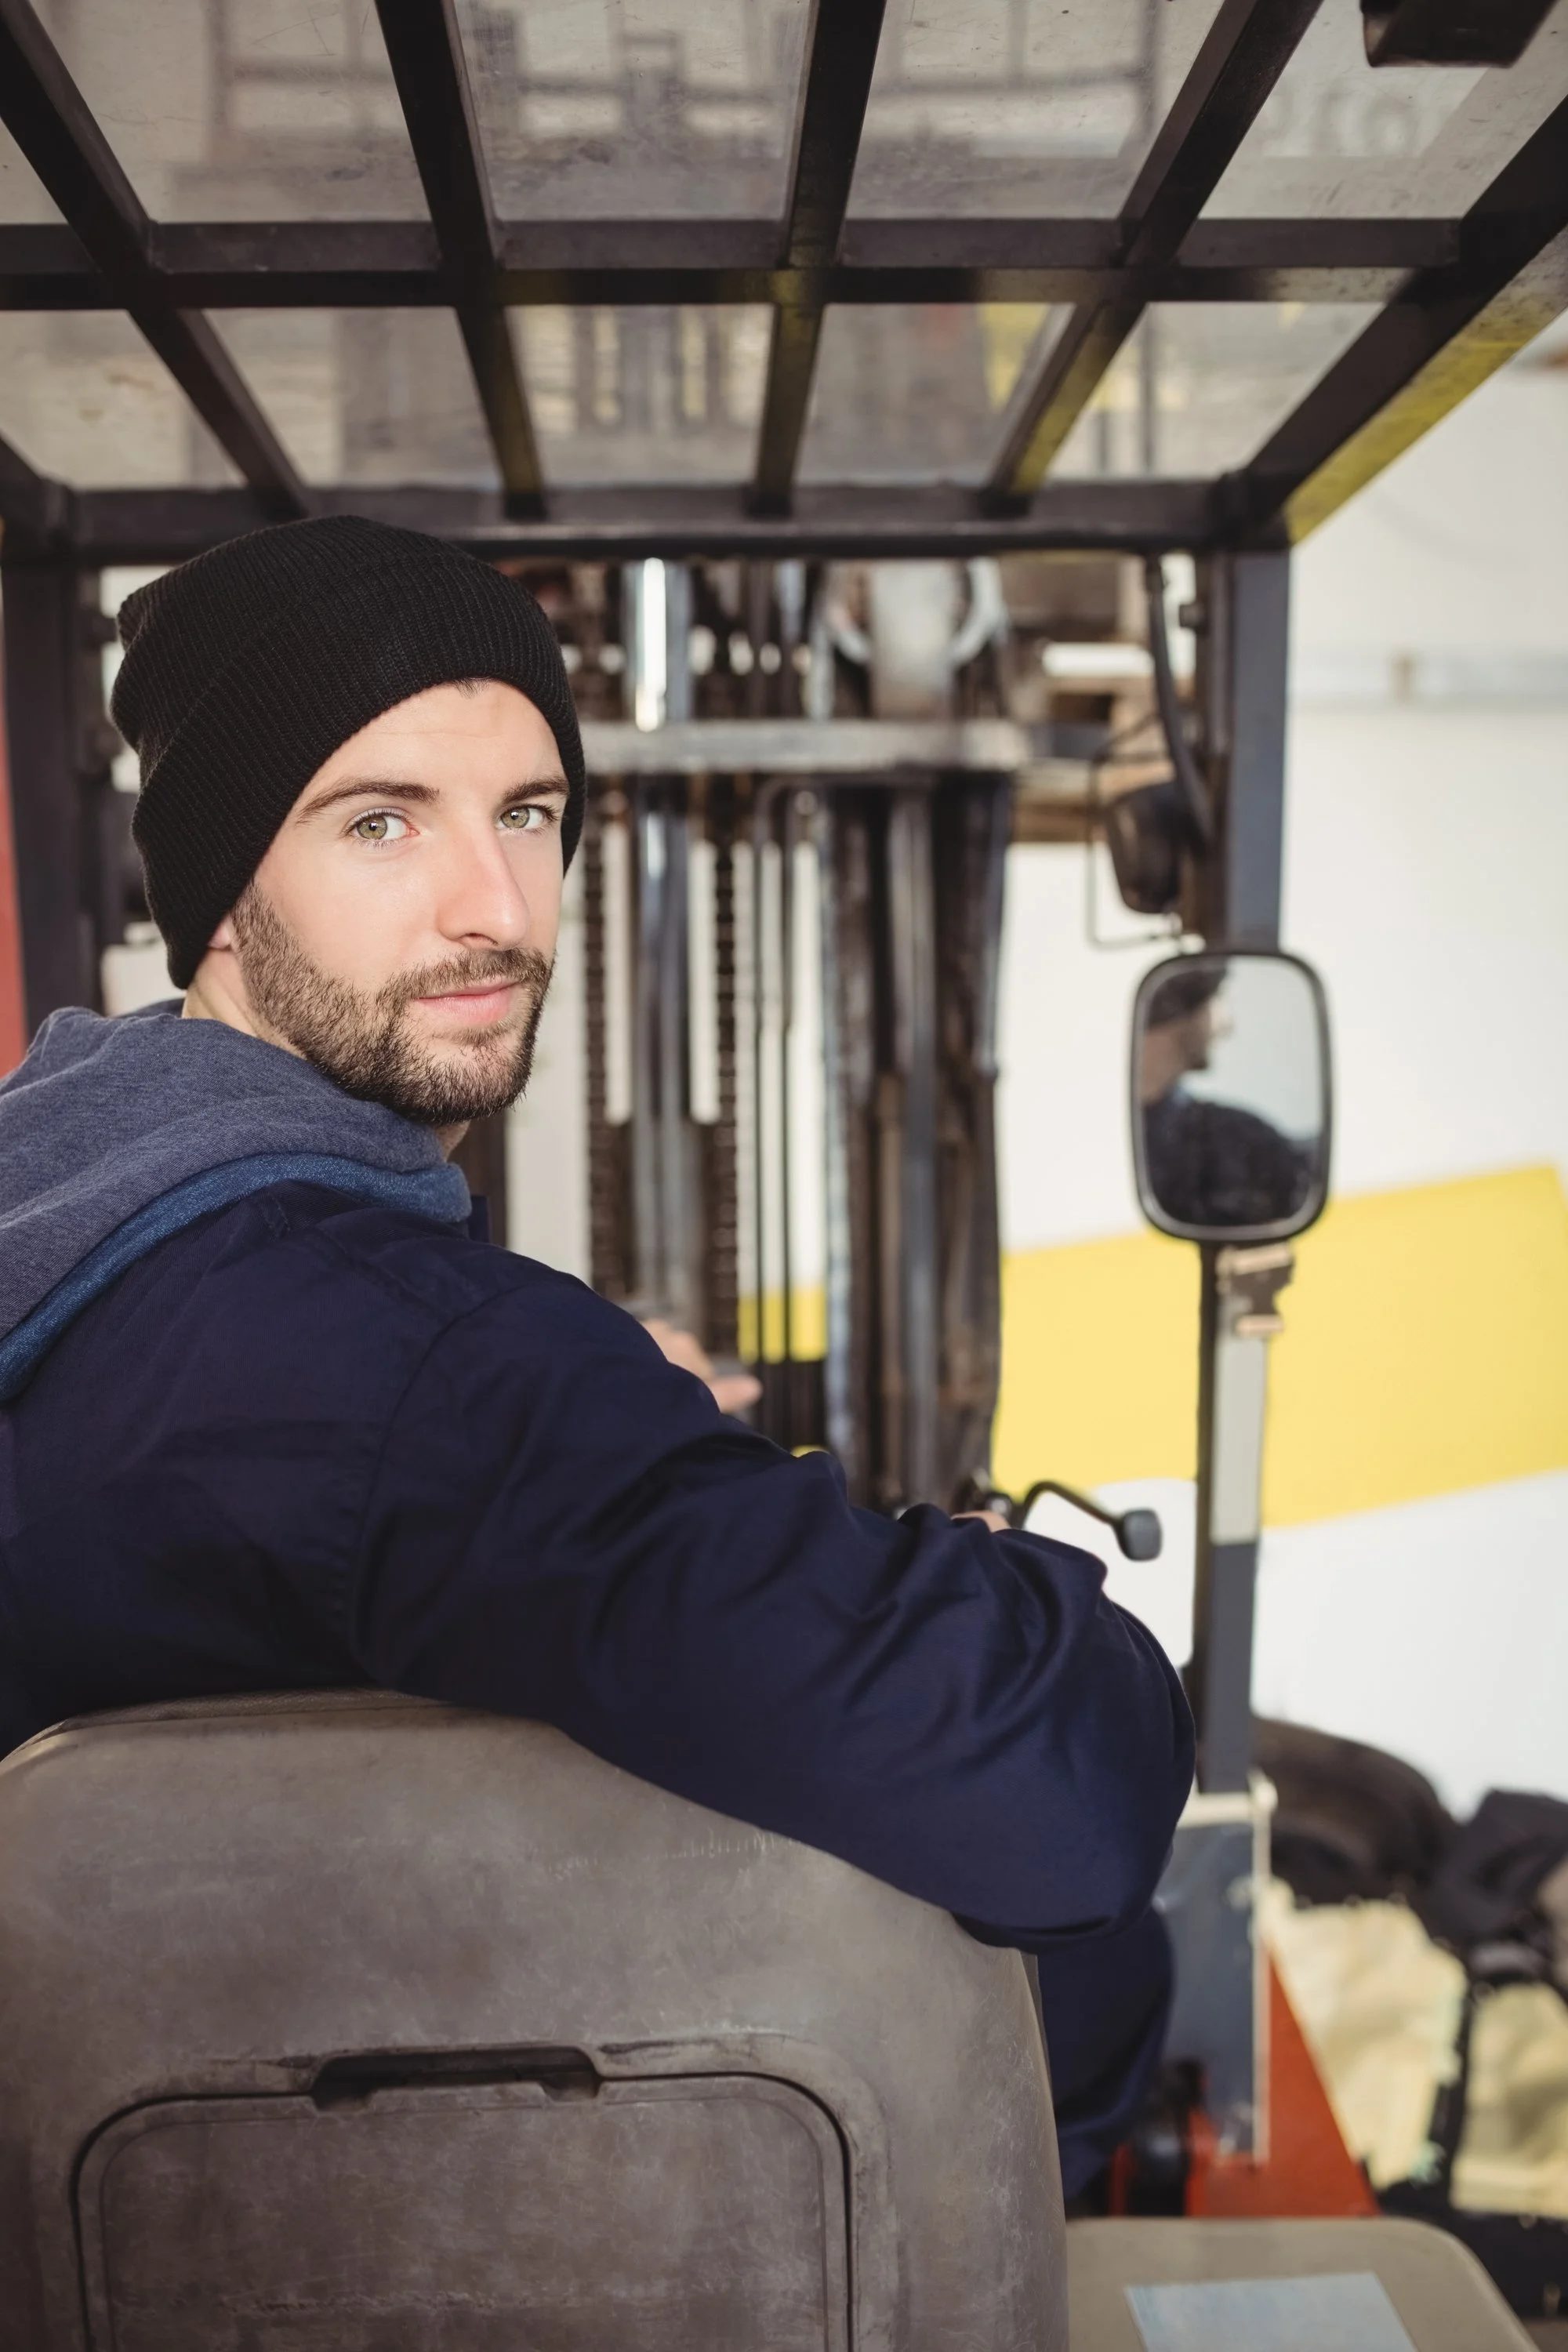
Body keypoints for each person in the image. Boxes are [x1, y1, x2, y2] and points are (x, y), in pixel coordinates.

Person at [0, 517, 1192, 2195]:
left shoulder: (79, 1215)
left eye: (529, 813)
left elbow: (340, 1443)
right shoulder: (421, 1372)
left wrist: (607, 1420)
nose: (493, 908)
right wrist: (1012, 1604)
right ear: (218, 883)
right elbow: (1058, 1788)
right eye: (381, 820)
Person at [1138, 963, 1312, 1232]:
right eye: (1216, 1000)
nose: (1227, 1028)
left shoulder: (1245, 1140)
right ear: (1175, 1014)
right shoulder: (1240, 1140)